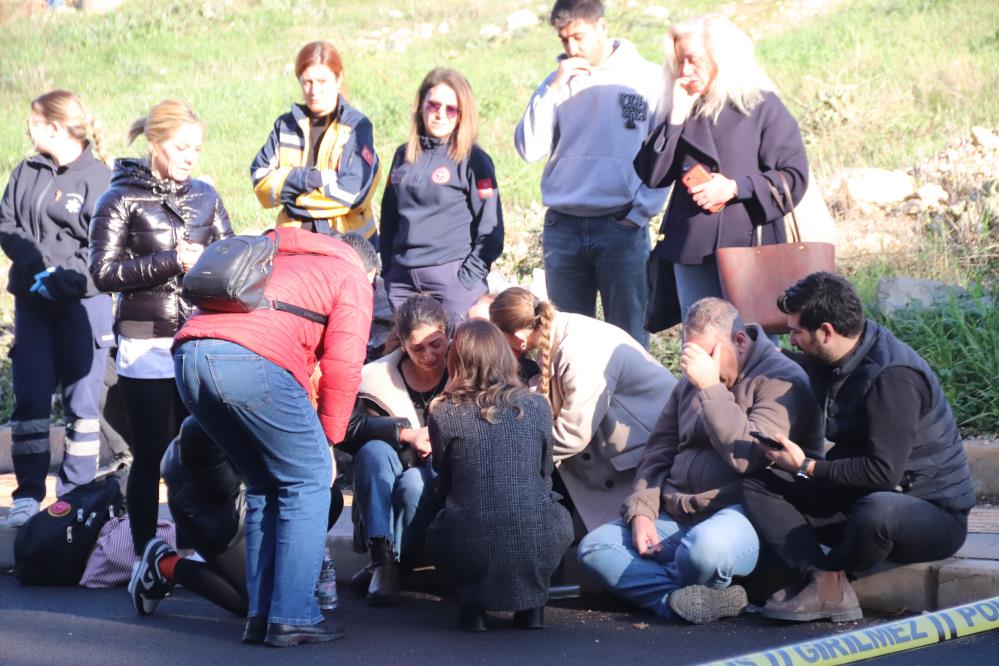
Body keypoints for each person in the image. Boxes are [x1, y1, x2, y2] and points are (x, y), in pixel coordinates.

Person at [171, 226, 373, 646]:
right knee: (309, 481)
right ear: (368, 268)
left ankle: (261, 613)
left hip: (189, 356)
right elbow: (343, 367)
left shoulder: (280, 252)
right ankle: (294, 615)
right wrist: (329, 442)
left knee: (264, 484)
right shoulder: (351, 274)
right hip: (250, 361)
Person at [742, 272, 976, 622]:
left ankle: (827, 586)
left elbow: (882, 473)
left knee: (877, 510)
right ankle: (823, 579)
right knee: (759, 482)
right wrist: (749, 348)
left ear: (826, 331)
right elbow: (796, 360)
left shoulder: (892, 377)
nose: (791, 340)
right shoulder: (843, 353)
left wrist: (806, 466)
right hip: (862, 495)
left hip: (931, 514)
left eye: (796, 333)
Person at [577, 298, 824, 624]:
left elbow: (748, 457)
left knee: (702, 553)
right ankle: (680, 599)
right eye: (690, 353)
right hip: (680, 512)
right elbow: (658, 450)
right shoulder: (692, 381)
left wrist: (710, 388)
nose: (696, 365)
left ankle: (682, 580)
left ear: (739, 342)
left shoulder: (781, 380)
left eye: (707, 354)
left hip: (744, 515)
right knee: (596, 548)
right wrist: (642, 511)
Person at [88, 99, 233, 581]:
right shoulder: (119, 198)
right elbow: (104, 273)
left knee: (199, 454)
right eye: (181, 147)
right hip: (144, 338)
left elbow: (230, 260)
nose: (191, 156)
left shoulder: (207, 196)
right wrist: (173, 261)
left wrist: (214, 262)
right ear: (155, 144)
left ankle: (199, 555)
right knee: (150, 455)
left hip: (197, 336)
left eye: (196, 148)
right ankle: (145, 558)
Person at [633, 14, 808, 319]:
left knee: (755, 341)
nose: (684, 72)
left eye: (693, 60)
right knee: (700, 342)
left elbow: (794, 177)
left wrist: (735, 188)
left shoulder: (762, 106)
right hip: (692, 248)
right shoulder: (683, 107)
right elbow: (652, 175)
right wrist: (674, 118)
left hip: (751, 244)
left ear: (721, 58)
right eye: (679, 62)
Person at [514, 0, 666, 347]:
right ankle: (571, 404)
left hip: (621, 225)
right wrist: (552, 88)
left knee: (627, 339)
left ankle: (628, 404)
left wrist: (640, 212)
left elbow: (665, 150)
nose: (571, 48)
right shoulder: (557, 81)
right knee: (565, 340)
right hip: (563, 226)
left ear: (601, 26)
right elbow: (529, 148)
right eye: (563, 39)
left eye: (578, 37)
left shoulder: (646, 77)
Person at [0, 90, 114, 526]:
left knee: (82, 408)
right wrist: (36, 267)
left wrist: (64, 277)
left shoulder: (99, 179)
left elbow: (102, 249)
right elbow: (6, 221)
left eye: (32, 122)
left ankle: (74, 496)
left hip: (82, 306)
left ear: (53, 126)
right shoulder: (26, 171)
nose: (27, 130)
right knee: (29, 399)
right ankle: (27, 494)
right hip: (32, 304)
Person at [489, 287, 677, 532]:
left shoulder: (580, 349)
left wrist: (509, 452)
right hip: (614, 452)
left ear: (517, 337)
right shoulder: (556, 333)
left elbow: (573, 435)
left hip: (651, 458)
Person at [426, 319, 573, 632]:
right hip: (537, 534)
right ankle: (532, 607)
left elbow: (446, 478)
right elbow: (544, 473)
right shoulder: (537, 406)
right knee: (555, 514)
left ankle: (473, 606)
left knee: (445, 520)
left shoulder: (444, 410)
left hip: (469, 537)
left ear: (457, 359)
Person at [144, 417, 348, 618]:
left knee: (329, 498)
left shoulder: (287, 399)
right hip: (213, 511)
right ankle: (163, 565)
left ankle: (273, 574)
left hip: (254, 497)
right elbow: (194, 431)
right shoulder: (227, 404)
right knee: (254, 602)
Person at [343, 294, 448, 606]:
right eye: (417, 348)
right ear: (402, 342)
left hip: (441, 468)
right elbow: (345, 429)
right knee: (372, 453)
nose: (428, 355)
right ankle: (383, 558)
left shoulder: (463, 366)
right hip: (394, 460)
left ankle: (394, 568)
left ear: (445, 331)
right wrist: (405, 434)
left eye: (436, 344)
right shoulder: (377, 375)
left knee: (416, 484)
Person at [380, 67, 503, 325]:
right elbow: (389, 218)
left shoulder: (474, 160)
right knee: (414, 359)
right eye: (434, 105)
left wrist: (466, 279)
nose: (440, 114)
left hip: (452, 278)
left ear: (462, 115)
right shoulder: (403, 155)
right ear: (421, 106)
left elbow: (491, 228)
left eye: (451, 109)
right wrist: (390, 272)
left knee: (459, 360)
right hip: (402, 281)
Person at [251, 40, 380, 242]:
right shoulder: (285, 126)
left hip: (345, 242)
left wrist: (293, 201)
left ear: (338, 80)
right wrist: (308, 179)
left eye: (322, 81)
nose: (314, 90)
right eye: (307, 82)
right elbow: (260, 184)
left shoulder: (357, 127)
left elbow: (351, 194)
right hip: (293, 240)